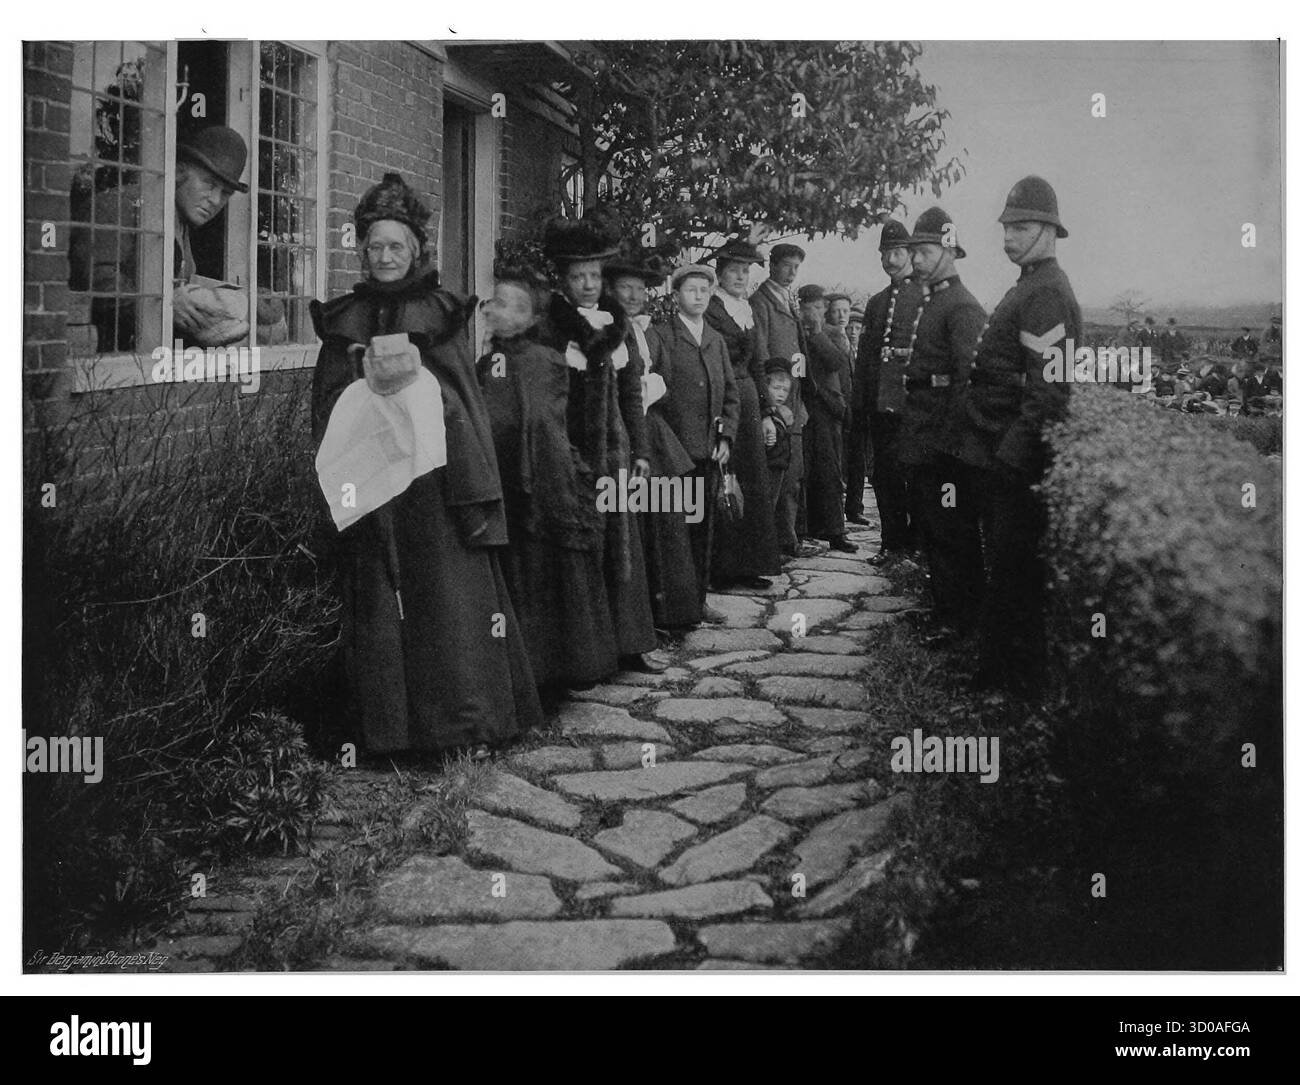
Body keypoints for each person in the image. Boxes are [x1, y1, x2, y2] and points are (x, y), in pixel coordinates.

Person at [309, 172, 543, 758]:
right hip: (372, 483)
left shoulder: (440, 311)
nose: (385, 258)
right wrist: (361, 376)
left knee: (445, 597)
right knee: (380, 601)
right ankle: (387, 732)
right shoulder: (345, 318)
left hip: (434, 487)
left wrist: (416, 382)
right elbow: (328, 399)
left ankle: (463, 725)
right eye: (375, 248)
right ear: (361, 251)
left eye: (397, 247)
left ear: (415, 250)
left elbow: (460, 397)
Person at [957, 175, 1081, 697]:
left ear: (1049, 231)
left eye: (1022, 226)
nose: (1008, 236)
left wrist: (1012, 458)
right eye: (1006, 226)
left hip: (1014, 454)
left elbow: (1050, 392)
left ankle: (1013, 685)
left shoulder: (1048, 292)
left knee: (1014, 571)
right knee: (1008, 568)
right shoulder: (1031, 284)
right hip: (996, 443)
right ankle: (1004, 677)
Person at [476, 263, 619, 693]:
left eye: (505, 304)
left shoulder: (539, 360)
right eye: (492, 302)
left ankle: (553, 672)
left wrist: (531, 479)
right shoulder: (494, 359)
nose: (491, 309)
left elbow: (539, 423)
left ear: (532, 318)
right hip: (508, 478)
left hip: (537, 482)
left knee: (543, 573)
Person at [535, 215, 666, 673]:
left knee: (623, 544)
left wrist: (643, 451)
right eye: (578, 277)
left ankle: (632, 642)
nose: (588, 284)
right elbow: (544, 398)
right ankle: (586, 657)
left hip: (617, 453)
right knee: (579, 547)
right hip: (572, 453)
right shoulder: (551, 327)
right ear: (564, 281)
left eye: (594, 275)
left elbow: (633, 394)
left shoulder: (618, 325)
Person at [900, 208, 987, 639]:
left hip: (945, 442)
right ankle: (944, 609)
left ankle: (960, 620)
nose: (915, 260)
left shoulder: (961, 305)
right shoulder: (935, 299)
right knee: (933, 525)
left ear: (948, 253)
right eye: (914, 251)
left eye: (925, 251)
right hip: (926, 432)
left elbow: (968, 379)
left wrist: (949, 441)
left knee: (952, 530)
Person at [606, 253, 703, 630]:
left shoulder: (641, 330)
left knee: (667, 518)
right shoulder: (608, 330)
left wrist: (656, 385)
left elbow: (654, 377)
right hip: (625, 430)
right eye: (624, 288)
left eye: (638, 289)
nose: (632, 295)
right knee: (637, 519)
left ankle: (673, 611)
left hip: (650, 430)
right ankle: (644, 618)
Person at [645, 265, 740, 610]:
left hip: (708, 449)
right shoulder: (661, 336)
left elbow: (731, 393)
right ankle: (672, 606)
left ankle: (698, 600)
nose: (698, 297)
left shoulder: (715, 340)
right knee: (675, 531)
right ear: (675, 297)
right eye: (690, 290)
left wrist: (726, 436)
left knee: (703, 529)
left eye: (704, 290)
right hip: (673, 452)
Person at [704, 238, 782, 590]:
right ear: (719, 273)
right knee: (725, 477)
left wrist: (767, 410)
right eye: (733, 270)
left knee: (751, 479)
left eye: (745, 271)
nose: (740, 276)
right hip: (722, 396)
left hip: (748, 398)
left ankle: (750, 565)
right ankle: (721, 567)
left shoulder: (746, 309)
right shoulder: (711, 308)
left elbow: (759, 363)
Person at [859, 218, 925, 566]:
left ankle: (915, 546)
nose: (890, 259)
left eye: (897, 251)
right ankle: (891, 543)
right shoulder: (876, 302)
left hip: (912, 404)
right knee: (884, 475)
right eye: (885, 252)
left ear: (911, 254)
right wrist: (863, 403)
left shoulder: (925, 296)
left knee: (912, 476)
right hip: (881, 404)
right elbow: (867, 357)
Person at [750, 242, 815, 557]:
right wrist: (769, 402)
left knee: (794, 473)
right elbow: (761, 354)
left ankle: (788, 539)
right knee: (775, 475)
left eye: (796, 267)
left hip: (794, 399)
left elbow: (798, 355)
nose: (792, 272)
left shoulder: (788, 301)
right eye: (787, 265)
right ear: (771, 266)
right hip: (775, 399)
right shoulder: (760, 303)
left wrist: (800, 397)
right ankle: (772, 542)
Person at [798, 283, 855, 552]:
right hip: (804, 407)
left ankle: (835, 531)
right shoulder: (797, 332)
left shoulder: (831, 334)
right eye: (810, 308)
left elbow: (836, 362)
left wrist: (818, 333)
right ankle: (808, 528)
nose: (815, 313)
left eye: (820, 308)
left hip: (827, 408)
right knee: (805, 470)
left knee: (830, 471)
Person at [763, 359, 796, 502]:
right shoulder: (767, 415)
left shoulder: (784, 413)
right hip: (770, 465)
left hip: (780, 465)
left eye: (785, 390)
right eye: (776, 388)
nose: (781, 394)